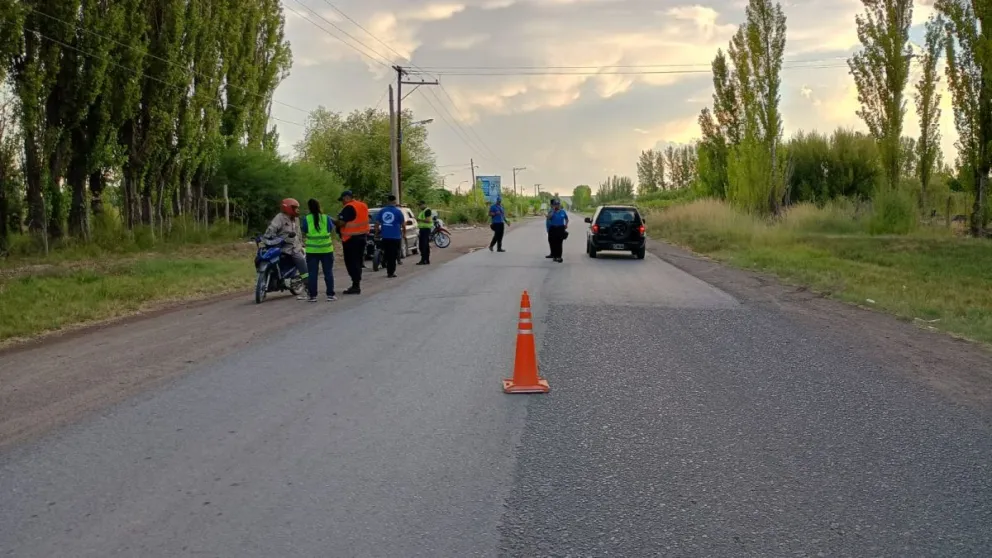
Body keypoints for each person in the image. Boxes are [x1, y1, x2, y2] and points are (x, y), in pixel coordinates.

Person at [264, 198, 309, 284]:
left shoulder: (296, 219)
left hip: (294, 247)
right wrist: (268, 236)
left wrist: (301, 244)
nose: (297, 210)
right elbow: (271, 229)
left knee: (301, 260)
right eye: (295, 208)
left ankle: (307, 282)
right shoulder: (280, 217)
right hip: (281, 246)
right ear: (288, 208)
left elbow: (298, 233)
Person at [300, 198, 336, 302]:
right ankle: (330, 295)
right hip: (326, 249)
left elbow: (305, 230)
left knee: (312, 274)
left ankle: (313, 296)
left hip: (312, 251)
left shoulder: (306, 219)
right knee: (328, 272)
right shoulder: (326, 218)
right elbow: (330, 229)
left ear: (309, 208)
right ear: (319, 206)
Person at [334, 189, 369, 295]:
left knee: (351, 262)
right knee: (358, 261)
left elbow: (341, 223)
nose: (342, 202)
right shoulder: (363, 205)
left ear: (347, 198)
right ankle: (356, 283)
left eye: (342, 200)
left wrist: (333, 221)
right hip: (362, 237)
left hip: (350, 239)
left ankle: (355, 285)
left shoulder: (349, 207)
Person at [374, 195, 406, 278]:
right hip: (396, 237)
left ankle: (385, 263)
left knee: (386, 252)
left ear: (387, 201)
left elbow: (377, 224)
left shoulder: (382, 211)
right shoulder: (398, 212)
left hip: (385, 237)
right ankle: (390, 272)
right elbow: (403, 225)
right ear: (395, 201)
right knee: (393, 255)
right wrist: (404, 234)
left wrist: (376, 233)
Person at [546, 198, 569, 263]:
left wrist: (566, 224)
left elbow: (566, 219)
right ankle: (554, 256)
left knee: (559, 243)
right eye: (555, 204)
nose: (557, 205)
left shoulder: (562, 212)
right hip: (553, 228)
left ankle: (559, 257)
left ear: (559, 205)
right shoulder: (551, 211)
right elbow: (548, 218)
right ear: (553, 205)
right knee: (553, 243)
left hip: (560, 228)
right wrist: (553, 211)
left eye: (558, 204)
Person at [416, 199, 433, 265]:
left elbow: (428, 220)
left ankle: (424, 260)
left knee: (423, 245)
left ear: (424, 204)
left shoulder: (427, 210)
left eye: (420, 205)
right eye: (419, 205)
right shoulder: (423, 211)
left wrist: (419, 219)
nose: (419, 206)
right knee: (425, 245)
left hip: (425, 229)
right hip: (423, 229)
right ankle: (426, 259)